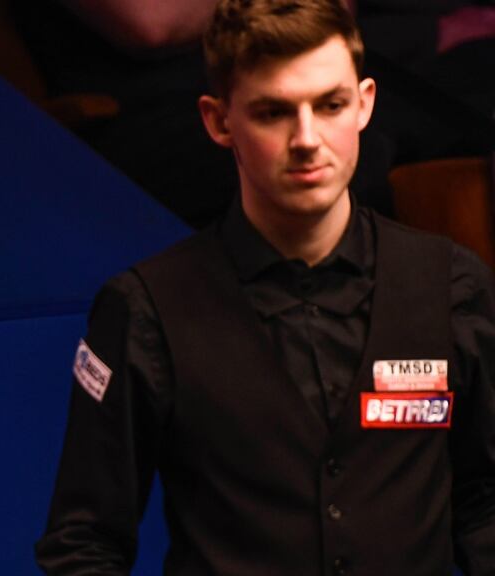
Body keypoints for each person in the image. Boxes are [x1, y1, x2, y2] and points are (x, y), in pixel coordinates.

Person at [35, 0, 495, 574]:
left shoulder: (453, 286)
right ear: (219, 120)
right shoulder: (145, 311)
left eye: (330, 105)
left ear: (365, 104)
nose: (307, 139)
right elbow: (85, 544)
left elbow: (485, 506)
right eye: (274, 112)